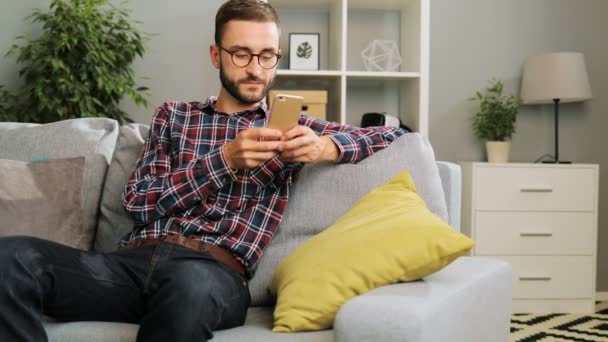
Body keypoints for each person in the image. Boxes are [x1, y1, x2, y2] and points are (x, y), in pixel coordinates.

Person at [0, 0, 406, 341]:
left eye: (267, 56)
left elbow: (391, 135)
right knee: (10, 256)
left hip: (214, 273)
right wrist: (223, 160)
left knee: (188, 291)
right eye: (241, 53)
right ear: (217, 55)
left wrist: (327, 146)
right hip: (130, 264)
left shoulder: (293, 128)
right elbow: (138, 203)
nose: (255, 68)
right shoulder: (174, 116)